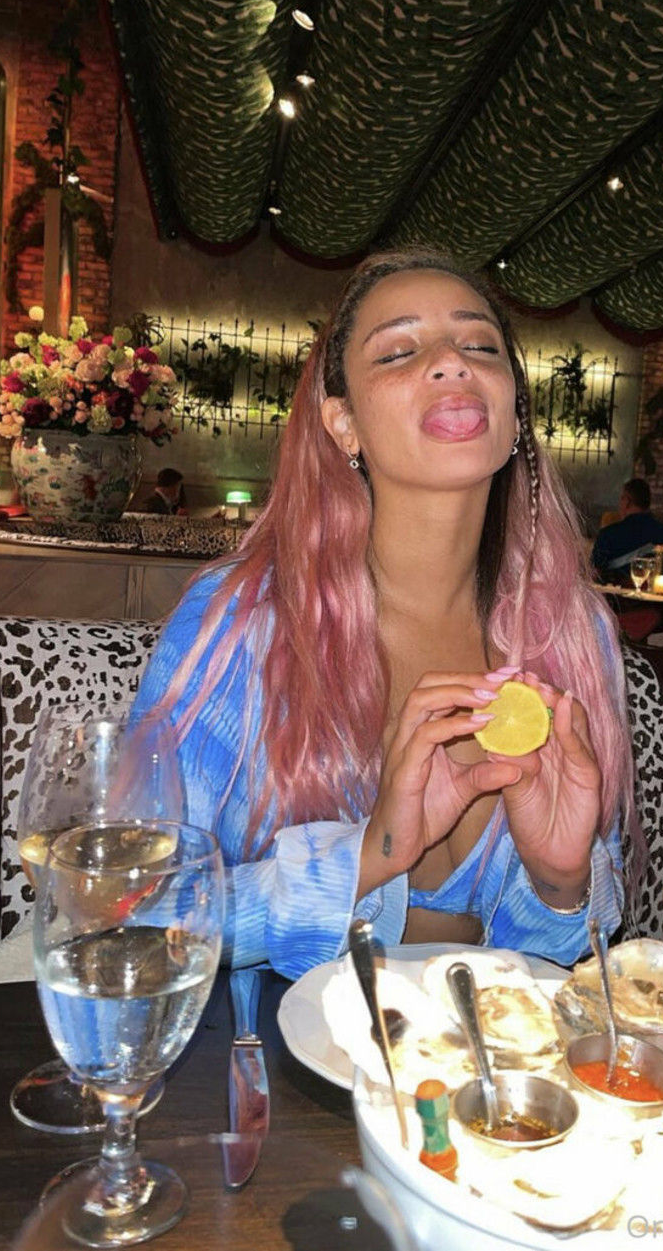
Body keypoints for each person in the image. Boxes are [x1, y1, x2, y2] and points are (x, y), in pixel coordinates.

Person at [133, 249, 632, 979]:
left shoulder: (573, 631)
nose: (451, 362)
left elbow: (565, 958)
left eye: (481, 346)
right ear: (343, 423)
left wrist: (559, 880)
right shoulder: (242, 619)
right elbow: (143, 913)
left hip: (479, 1046)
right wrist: (371, 854)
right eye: (399, 351)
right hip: (268, 1039)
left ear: (514, 413)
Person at [591, 478, 663, 580]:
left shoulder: (608, 535)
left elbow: (595, 573)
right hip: (659, 590)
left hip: (615, 590)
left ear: (626, 502)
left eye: (621, 499)